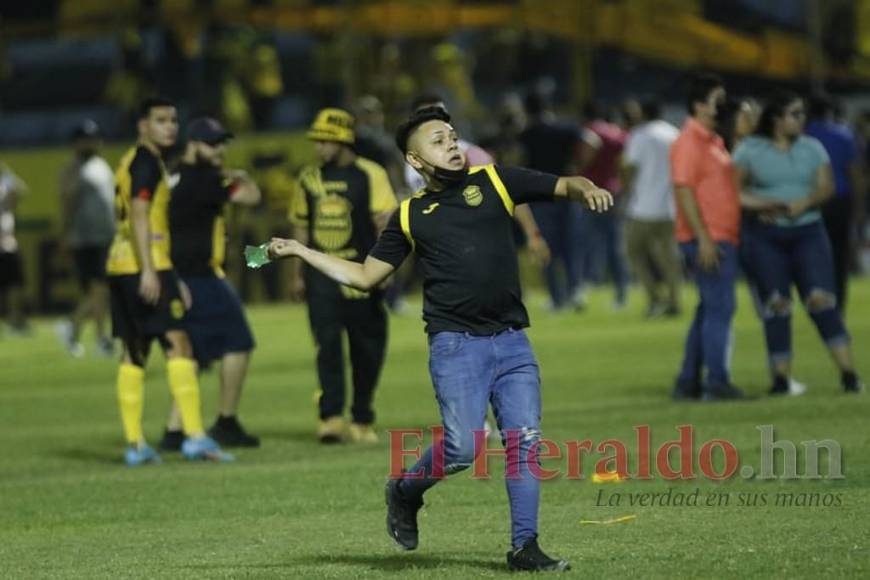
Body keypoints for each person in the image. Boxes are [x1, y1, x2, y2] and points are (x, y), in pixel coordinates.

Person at [265, 106, 613, 572]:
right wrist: (300, 250)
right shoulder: (411, 215)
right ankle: (405, 490)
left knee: (524, 442)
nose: (450, 143)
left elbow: (566, 184)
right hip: (456, 347)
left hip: (513, 342)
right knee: (465, 448)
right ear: (415, 160)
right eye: (437, 140)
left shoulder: (496, 180)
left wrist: (587, 189)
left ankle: (524, 547)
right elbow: (365, 276)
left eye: (451, 135)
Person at [106, 96, 231, 465]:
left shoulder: (130, 160)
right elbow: (140, 214)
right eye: (161, 120)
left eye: (174, 120)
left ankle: (135, 445)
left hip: (121, 265)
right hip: (146, 266)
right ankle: (194, 437)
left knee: (135, 352)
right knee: (180, 346)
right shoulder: (147, 162)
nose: (170, 127)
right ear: (143, 125)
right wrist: (151, 270)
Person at [734, 91, 864, 395]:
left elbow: (827, 186)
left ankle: (849, 375)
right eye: (795, 114)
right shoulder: (751, 150)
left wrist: (804, 203)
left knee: (822, 301)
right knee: (776, 305)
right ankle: (781, 380)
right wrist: (767, 204)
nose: (801, 119)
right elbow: (734, 192)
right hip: (766, 237)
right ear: (777, 119)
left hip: (808, 233)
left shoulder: (812, 148)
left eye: (801, 113)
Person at [289, 108, 398, 444]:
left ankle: (362, 417)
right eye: (317, 141)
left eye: (325, 140)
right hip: (321, 276)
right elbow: (301, 226)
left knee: (368, 349)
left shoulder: (370, 174)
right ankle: (331, 417)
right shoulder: (308, 177)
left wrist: (386, 268)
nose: (318, 147)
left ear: (344, 140)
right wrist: (297, 275)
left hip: (361, 274)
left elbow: (385, 223)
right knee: (327, 346)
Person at [160, 117, 262, 451]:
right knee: (239, 341)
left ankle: (175, 430)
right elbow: (251, 196)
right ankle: (226, 421)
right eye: (211, 143)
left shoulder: (174, 175)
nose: (218, 150)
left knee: (191, 354)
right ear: (193, 144)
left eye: (221, 143)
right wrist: (240, 176)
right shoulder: (204, 179)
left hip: (174, 275)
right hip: (199, 277)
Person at [670, 74, 744, 401]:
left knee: (709, 308)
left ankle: (688, 381)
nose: (723, 106)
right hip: (709, 238)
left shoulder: (712, 140)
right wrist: (703, 238)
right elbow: (683, 190)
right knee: (721, 308)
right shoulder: (689, 141)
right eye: (718, 100)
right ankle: (717, 382)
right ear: (699, 105)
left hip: (717, 235)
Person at [519, 90, 584, 310]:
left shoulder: (526, 134)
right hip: (566, 191)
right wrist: (579, 166)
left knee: (546, 247)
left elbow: (517, 159)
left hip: (540, 195)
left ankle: (557, 298)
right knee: (570, 245)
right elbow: (592, 142)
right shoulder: (565, 129)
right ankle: (575, 292)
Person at [56, 120, 116, 357]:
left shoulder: (101, 165)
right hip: (84, 238)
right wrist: (65, 235)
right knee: (99, 288)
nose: (91, 143)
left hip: (105, 236)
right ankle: (100, 338)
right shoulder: (72, 169)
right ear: (76, 143)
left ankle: (74, 327)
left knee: (99, 290)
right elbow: (67, 203)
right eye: (86, 139)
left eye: (93, 138)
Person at [804, 94, 865, 312]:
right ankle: (838, 304)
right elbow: (855, 174)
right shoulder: (844, 135)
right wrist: (859, 208)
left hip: (812, 202)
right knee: (839, 255)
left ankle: (818, 300)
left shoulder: (804, 136)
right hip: (840, 200)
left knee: (812, 253)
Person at [621, 100, 681, 318]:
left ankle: (654, 298)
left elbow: (630, 168)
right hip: (670, 206)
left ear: (643, 114)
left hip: (643, 207)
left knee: (633, 252)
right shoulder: (674, 134)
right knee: (669, 257)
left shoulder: (639, 135)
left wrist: (626, 192)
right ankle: (674, 301)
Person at [578, 101, 629, 308]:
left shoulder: (589, 133)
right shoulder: (618, 134)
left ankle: (582, 287)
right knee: (614, 245)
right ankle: (621, 293)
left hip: (591, 192)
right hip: (613, 192)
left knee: (584, 243)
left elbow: (585, 159)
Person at [0, 163, 30, 335]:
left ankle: (14, 319)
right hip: (4, 243)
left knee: (14, 285)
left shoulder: (4, 184)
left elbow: (21, 190)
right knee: (13, 285)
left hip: (8, 244)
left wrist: (7, 173)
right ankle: (13, 320)